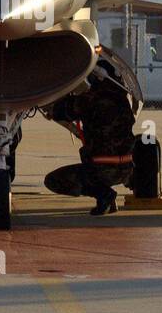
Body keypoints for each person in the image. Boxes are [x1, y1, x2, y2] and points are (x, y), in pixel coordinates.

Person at [44, 59, 138, 216]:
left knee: (53, 180)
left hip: (101, 170)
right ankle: (108, 195)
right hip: (128, 170)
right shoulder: (123, 100)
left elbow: (61, 110)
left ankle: (104, 194)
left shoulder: (91, 99)